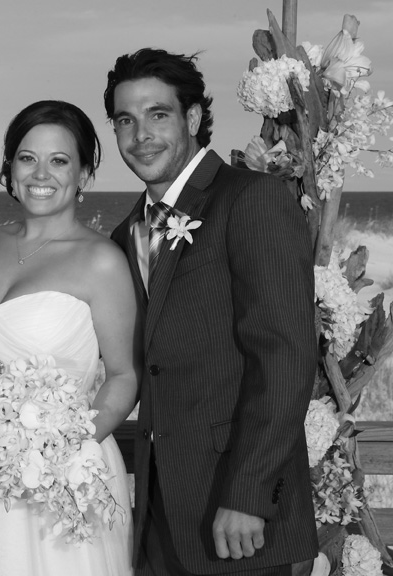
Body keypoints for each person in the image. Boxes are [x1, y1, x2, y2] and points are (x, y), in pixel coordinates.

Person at [105, 49, 318, 576]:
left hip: (241, 518)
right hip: (159, 519)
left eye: (158, 114)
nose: (140, 135)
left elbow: (285, 357)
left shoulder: (252, 199)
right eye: (125, 120)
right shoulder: (125, 233)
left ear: (194, 117)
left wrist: (249, 493)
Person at [0, 100, 140, 576]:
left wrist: (62, 451)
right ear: (10, 168)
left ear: (84, 175)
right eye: (27, 158)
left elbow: (123, 376)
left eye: (59, 161)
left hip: (64, 478)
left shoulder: (102, 262)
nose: (41, 174)